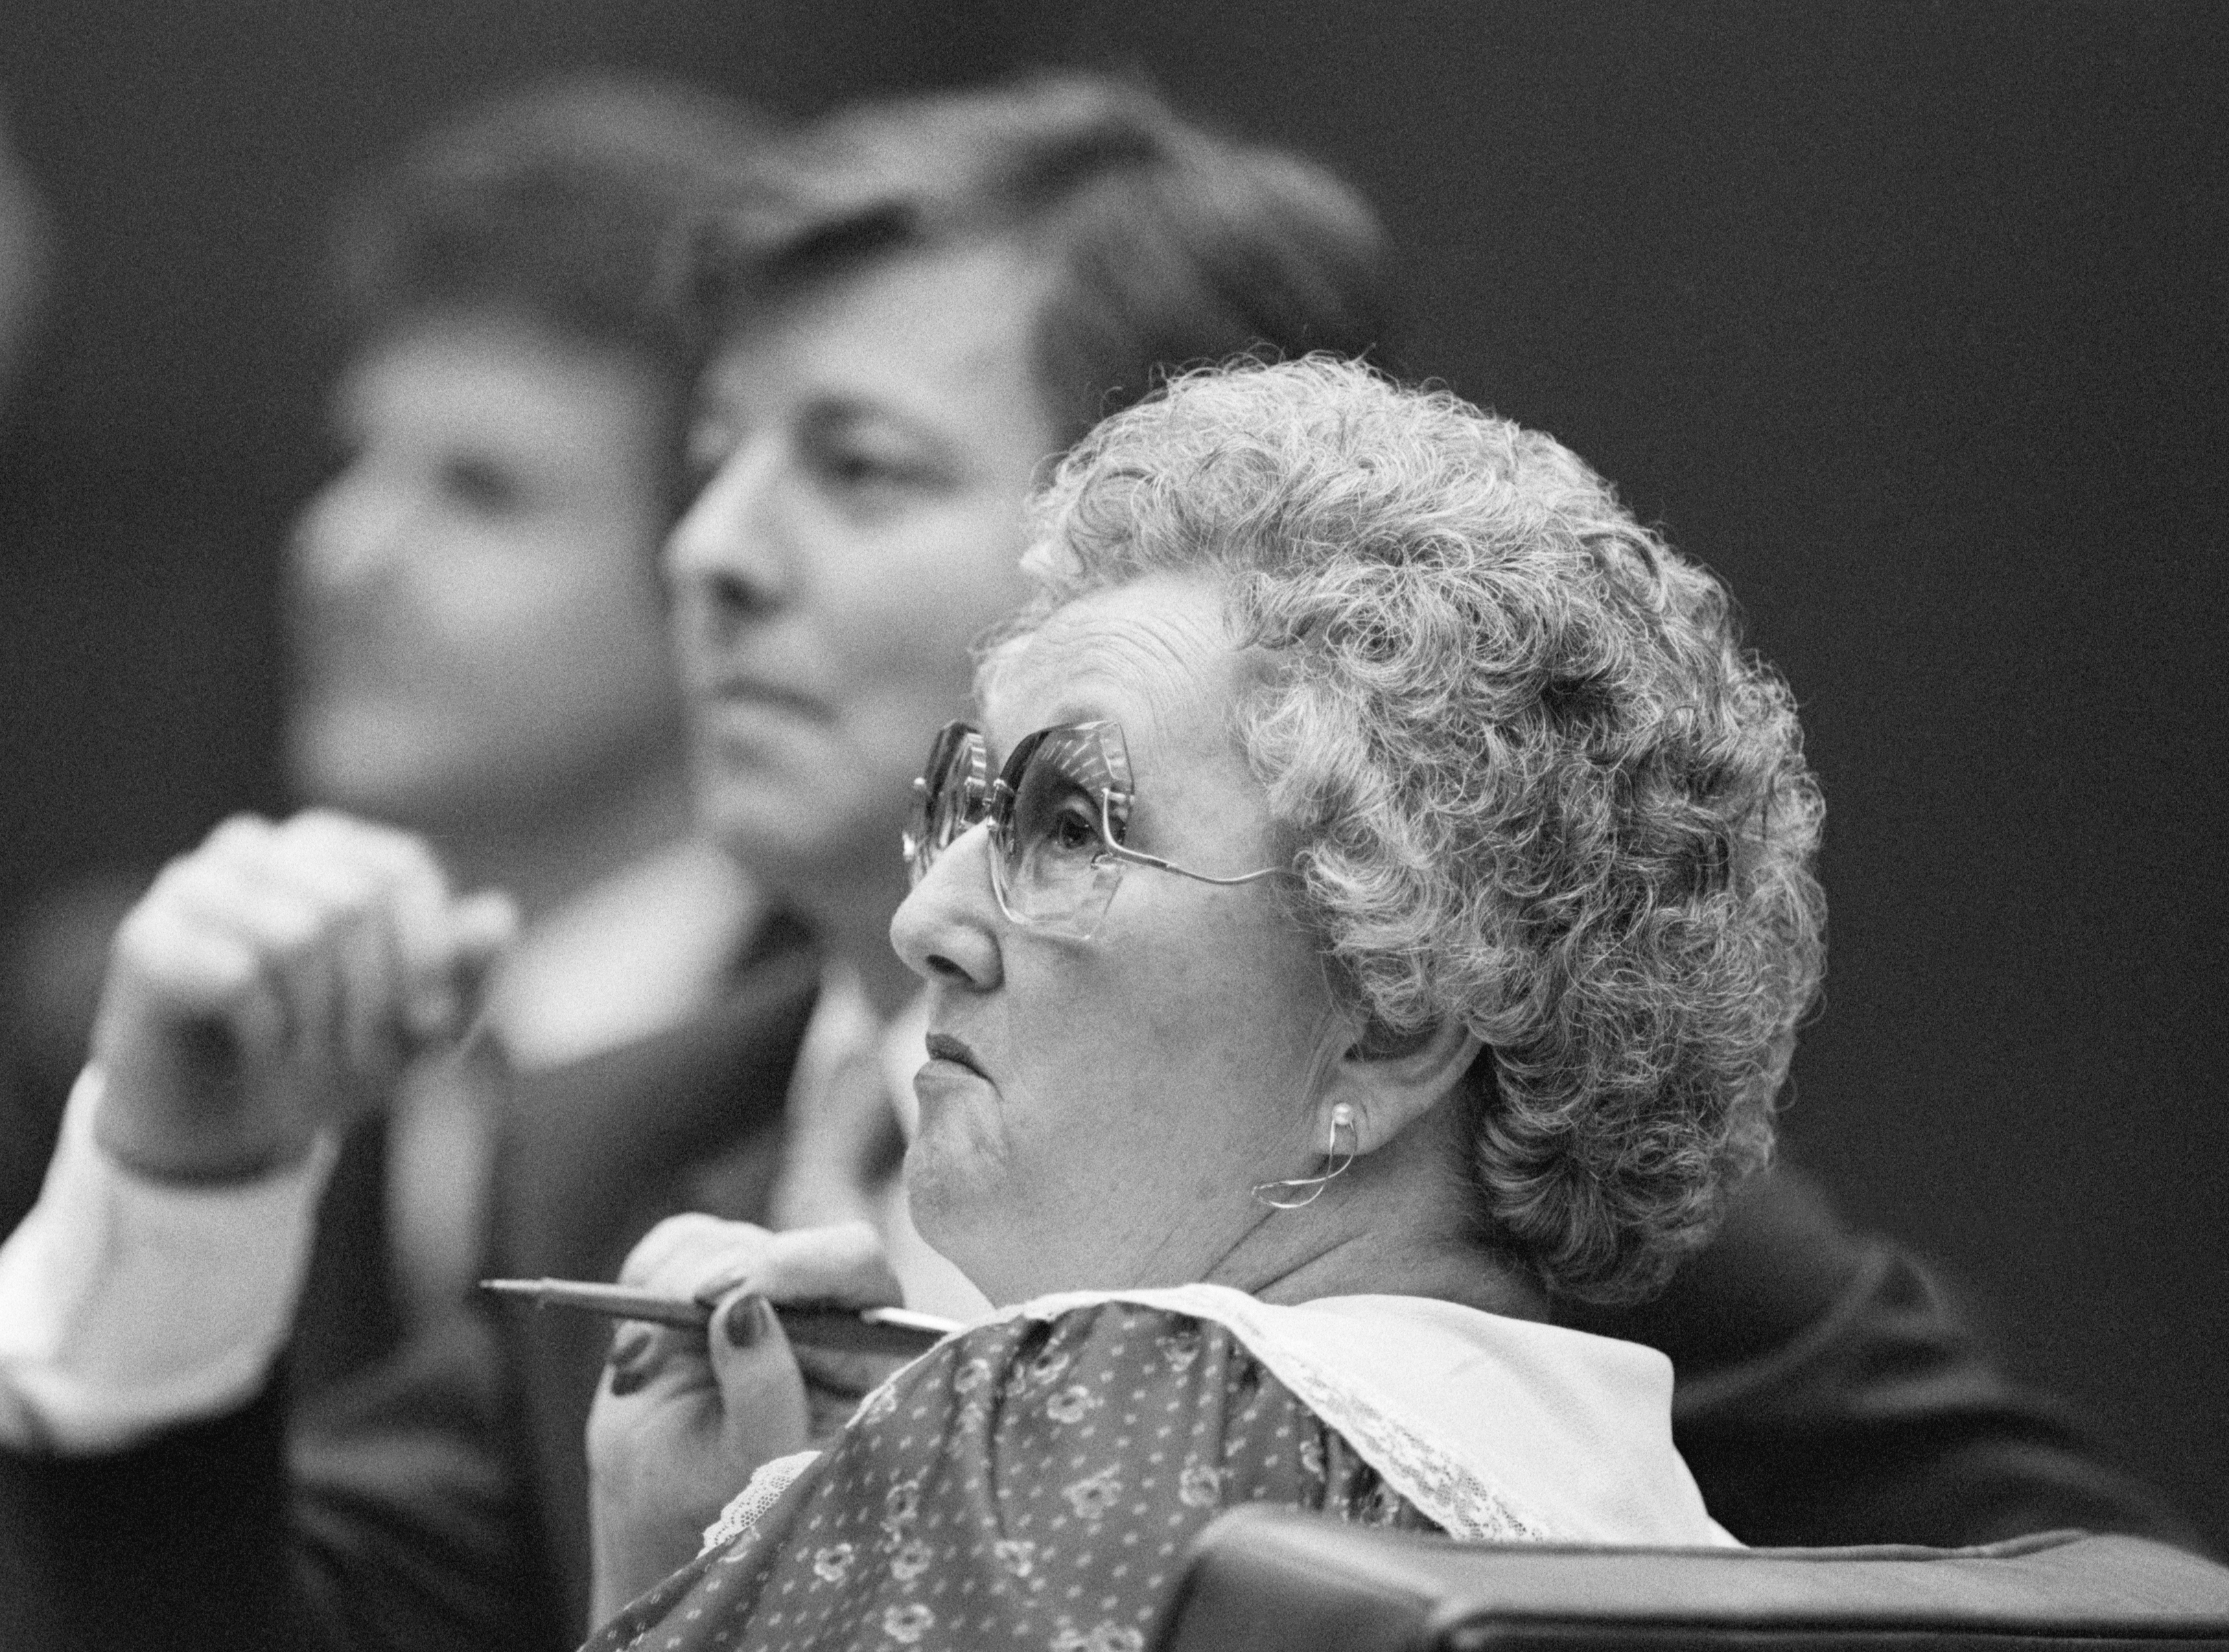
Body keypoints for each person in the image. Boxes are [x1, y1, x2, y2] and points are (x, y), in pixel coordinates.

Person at [0, 72, 2200, 1652]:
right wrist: (190, 1179)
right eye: (713, 455)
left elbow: (2096, 1598)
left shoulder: (1566, 1215)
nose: (708, 553)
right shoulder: (614, 1131)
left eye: (852, 463)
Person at [0, 73, 771, 1647]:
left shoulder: (833, 1055)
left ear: (724, 562)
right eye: (354, 460)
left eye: (479, 492)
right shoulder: (128, 994)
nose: (344, 550)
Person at [582, 353, 1810, 1644]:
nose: (925, 923)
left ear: (1393, 1017)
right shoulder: (1656, 1526)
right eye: (968, 807)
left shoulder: (1078, 1422)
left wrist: (658, 1574)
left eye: (1071, 829)